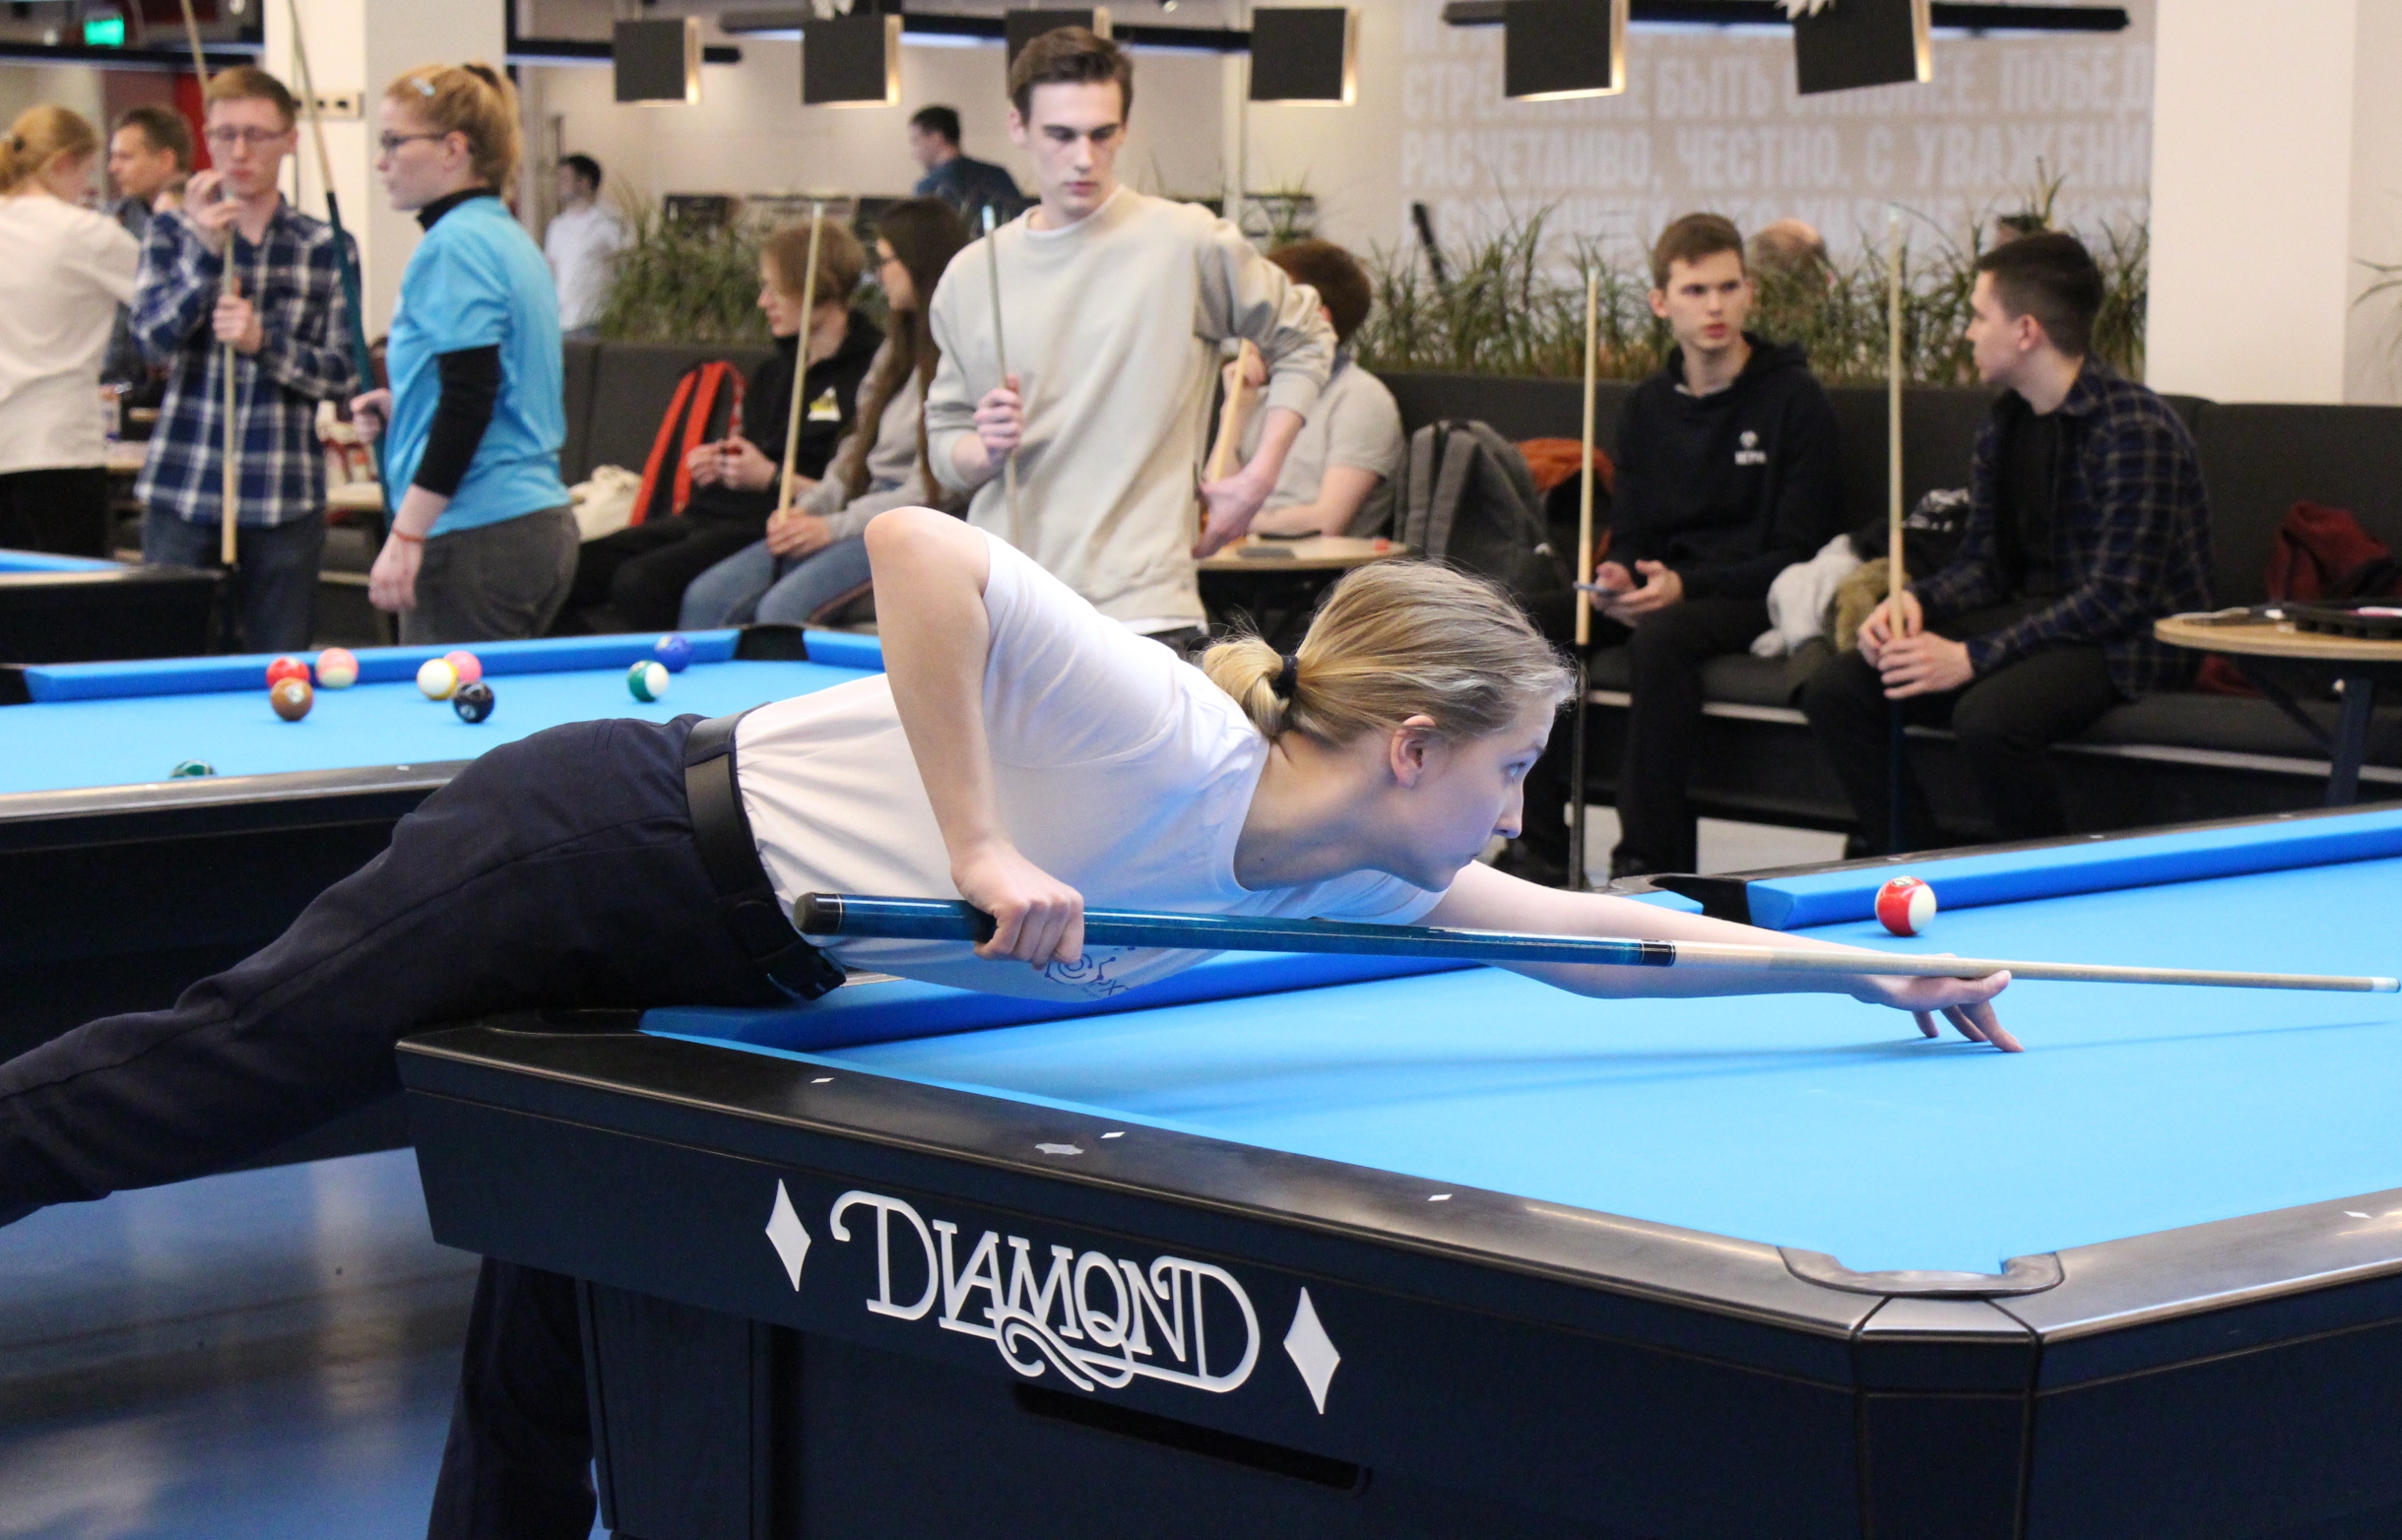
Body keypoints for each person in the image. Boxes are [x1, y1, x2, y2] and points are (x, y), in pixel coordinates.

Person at [0, 503, 2018, 1532]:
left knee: (560, 1307)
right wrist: (978, 837)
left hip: (720, 954)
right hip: (596, 846)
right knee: (208, 1083)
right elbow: (916, 548)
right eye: (1507, 772)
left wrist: (1857, 963)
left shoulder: (1355, 872)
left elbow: (1596, 940)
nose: (1514, 815)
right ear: (1411, 744)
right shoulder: (1171, 735)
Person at [1801, 230, 2213, 853]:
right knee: (1838, 690)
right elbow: (1984, 565)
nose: (1967, 332)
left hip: (2125, 642)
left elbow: (2115, 599)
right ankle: (1915, 863)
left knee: (1990, 719)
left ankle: (2044, 886)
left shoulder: (2135, 428)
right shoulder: (2005, 421)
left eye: (1978, 316)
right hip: (2033, 618)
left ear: (2025, 331)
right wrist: (1914, 602)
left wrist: (1972, 657)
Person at [928, 28, 1335, 653]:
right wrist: (982, 450)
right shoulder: (971, 275)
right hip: (1006, 607)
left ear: (1122, 129)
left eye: (1102, 134)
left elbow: (1305, 335)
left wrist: (1257, 479)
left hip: (1145, 611)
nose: (1084, 157)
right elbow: (944, 440)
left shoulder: (1186, 242)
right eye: (1061, 135)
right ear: (1018, 126)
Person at [1504, 213, 1843, 884]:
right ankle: (1537, 845)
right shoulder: (1648, 406)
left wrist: (1685, 587)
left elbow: (1798, 550)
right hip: (1663, 589)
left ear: (1749, 293)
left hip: (1755, 593)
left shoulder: (1795, 400)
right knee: (1529, 618)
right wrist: (1618, 575)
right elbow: (1633, 531)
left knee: (1662, 637)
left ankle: (1644, 858)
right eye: (1695, 291)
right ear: (1661, 302)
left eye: (1728, 287)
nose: (1715, 306)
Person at [345, 63, 578, 645]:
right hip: (532, 523)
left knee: (449, 708)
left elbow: (470, 399)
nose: (380, 162)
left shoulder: (453, 247)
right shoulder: (505, 236)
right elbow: (494, 382)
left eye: (394, 142)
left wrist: (406, 536)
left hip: (475, 531)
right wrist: (405, 408)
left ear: (453, 150)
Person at [130, 67, 357, 652]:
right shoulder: (171, 232)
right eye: (224, 134)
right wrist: (205, 257)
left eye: (256, 135)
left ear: (290, 140)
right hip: (184, 484)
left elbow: (343, 374)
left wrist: (264, 344)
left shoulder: (326, 245)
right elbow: (150, 343)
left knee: (279, 667)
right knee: (168, 661)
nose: (238, 151)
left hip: (283, 492)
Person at [566, 218, 879, 633]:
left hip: (772, 521)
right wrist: (720, 461)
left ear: (817, 289)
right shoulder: (776, 371)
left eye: (775, 289)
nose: (763, 302)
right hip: (713, 513)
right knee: (571, 569)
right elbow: (749, 450)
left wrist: (769, 477)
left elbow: (853, 491)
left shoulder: (871, 375)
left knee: (641, 582)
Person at [681, 198, 972, 629]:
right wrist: (810, 509)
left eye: (887, 261)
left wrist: (832, 527)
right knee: (707, 597)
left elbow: (933, 491)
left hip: (913, 529)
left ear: (919, 263)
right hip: (861, 513)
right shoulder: (895, 350)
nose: (879, 274)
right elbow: (854, 450)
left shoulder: (962, 356)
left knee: (781, 612)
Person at [0, 106, 139, 556]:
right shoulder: (85, 233)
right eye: (86, 172)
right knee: (71, 592)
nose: (86, 187)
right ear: (63, 163)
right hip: (59, 447)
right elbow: (162, 297)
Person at [1225, 239, 1404, 541]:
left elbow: (1326, 521)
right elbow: (1210, 501)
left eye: (1269, 307)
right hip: (1242, 561)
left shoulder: (1361, 399)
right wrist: (1236, 409)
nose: (1253, 322)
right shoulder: (1261, 395)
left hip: (1311, 567)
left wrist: (1231, 522)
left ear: (1316, 319)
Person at [99, 104, 192, 408]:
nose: (113, 168)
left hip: (187, 389)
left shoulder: (210, 222)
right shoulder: (112, 224)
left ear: (165, 160)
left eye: (125, 157)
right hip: (118, 390)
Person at [543, 153, 627, 336]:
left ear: (584, 182)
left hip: (595, 319)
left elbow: (627, 264)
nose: (559, 184)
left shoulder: (609, 221)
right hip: (562, 320)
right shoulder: (557, 226)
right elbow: (551, 270)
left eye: (565, 178)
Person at [908, 104, 1023, 225]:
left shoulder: (929, 189)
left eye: (915, 141)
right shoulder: (998, 175)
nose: (913, 151)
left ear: (936, 139)